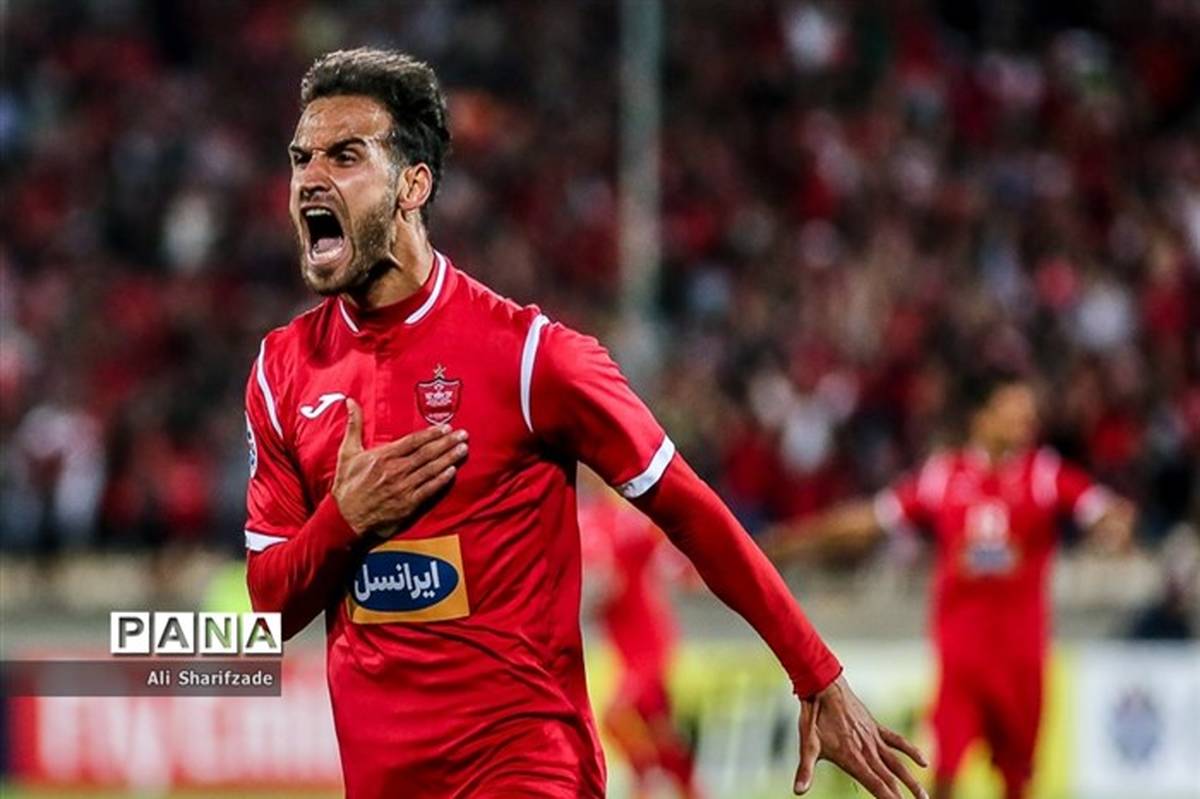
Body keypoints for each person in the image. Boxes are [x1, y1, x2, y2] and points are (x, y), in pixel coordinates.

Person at [243, 47, 925, 799]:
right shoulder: (281, 372)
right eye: (301, 158)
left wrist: (816, 672)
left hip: (526, 768)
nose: (310, 177)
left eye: (345, 156)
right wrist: (344, 520)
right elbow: (270, 604)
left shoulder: (533, 358)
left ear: (413, 185)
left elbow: (691, 510)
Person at [765, 371, 1136, 799]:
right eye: (1014, 410)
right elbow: (868, 522)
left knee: (1018, 783)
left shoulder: (1044, 475)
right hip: (962, 662)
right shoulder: (944, 476)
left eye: (1028, 412)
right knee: (942, 775)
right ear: (982, 417)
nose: (1026, 420)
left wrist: (1115, 528)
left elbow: (1108, 510)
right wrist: (794, 541)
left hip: (1022, 661)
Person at [578, 476, 701, 798]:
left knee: (616, 715)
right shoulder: (586, 518)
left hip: (651, 642)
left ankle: (646, 777)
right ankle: (686, 789)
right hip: (627, 647)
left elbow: (666, 556)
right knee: (660, 731)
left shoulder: (627, 517)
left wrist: (690, 572)